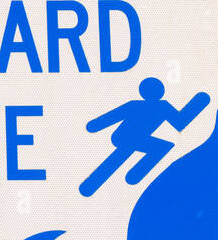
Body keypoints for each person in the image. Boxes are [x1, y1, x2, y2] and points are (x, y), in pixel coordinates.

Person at [78, 78, 210, 197]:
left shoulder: (162, 107)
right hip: (123, 137)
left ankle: (134, 174)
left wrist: (199, 102)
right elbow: (111, 117)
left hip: (132, 138)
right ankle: (134, 175)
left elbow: (181, 122)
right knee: (156, 148)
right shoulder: (139, 105)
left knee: (156, 148)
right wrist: (94, 126)